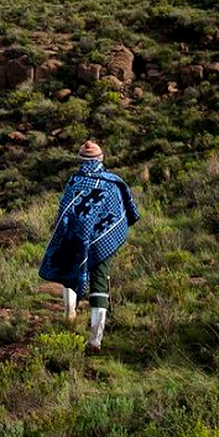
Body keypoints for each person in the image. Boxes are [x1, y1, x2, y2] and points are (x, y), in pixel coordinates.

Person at [39, 139, 140, 354]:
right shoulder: (113, 184)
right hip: (102, 242)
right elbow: (120, 215)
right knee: (99, 281)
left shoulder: (75, 183)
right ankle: (96, 339)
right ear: (101, 159)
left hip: (75, 239)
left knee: (69, 268)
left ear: (80, 161)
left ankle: (70, 314)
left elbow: (64, 214)